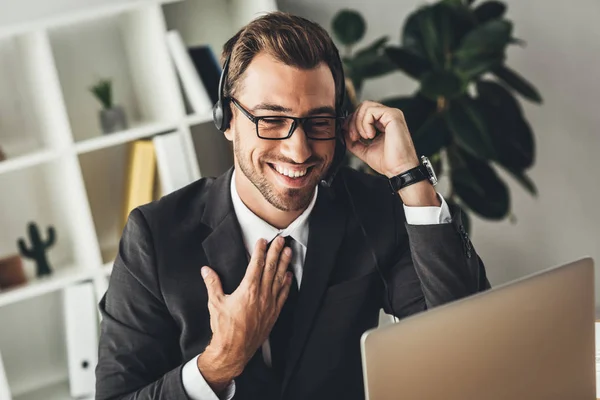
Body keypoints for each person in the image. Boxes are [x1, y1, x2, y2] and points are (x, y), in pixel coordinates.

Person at [95, 11, 490, 400]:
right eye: (270, 119)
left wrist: (409, 177)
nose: (298, 150)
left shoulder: (371, 207)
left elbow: (464, 342)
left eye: (319, 122)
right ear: (227, 119)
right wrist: (219, 363)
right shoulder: (154, 237)